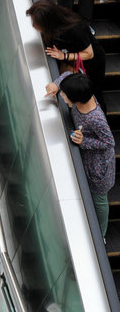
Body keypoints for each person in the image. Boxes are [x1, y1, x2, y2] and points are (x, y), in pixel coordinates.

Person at [45, 72, 115, 237]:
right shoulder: (82, 92)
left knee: (99, 200)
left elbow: (109, 142)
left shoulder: (95, 118)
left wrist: (84, 141)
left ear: (76, 97)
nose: (62, 95)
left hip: (99, 168)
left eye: (64, 94)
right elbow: (69, 74)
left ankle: (101, 234)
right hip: (87, 160)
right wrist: (56, 84)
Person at [26, 0, 107, 112]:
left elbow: (89, 54)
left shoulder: (75, 29)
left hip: (91, 64)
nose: (33, 25)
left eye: (36, 23)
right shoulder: (54, 28)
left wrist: (64, 56)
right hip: (71, 58)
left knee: (92, 95)